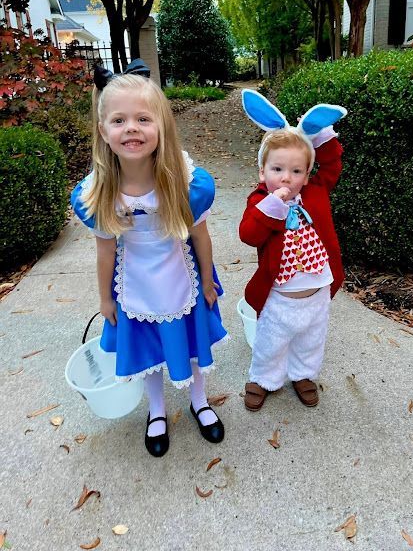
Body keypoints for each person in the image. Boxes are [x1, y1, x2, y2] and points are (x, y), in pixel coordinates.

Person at [71, 59, 227, 457]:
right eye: (119, 120)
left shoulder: (185, 182)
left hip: (181, 276)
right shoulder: (99, 192)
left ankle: (199, 400)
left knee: (190, 343)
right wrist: (106, 299)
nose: (132, 129)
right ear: (103, 131)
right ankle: (156, 410)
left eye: (143, 118)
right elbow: (105, 250)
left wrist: (207, 280)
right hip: (134, 281)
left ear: (162, 127)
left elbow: (201, 235)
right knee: (151, 351)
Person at [239, 90, 347, 411]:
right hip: (279, 297)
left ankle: (302, 374)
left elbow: (331, 163)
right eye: (277, 169)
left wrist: (318, 137)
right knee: (270, 343)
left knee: (311, 341)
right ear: (262, 172)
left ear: (307, 174)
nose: (287, 177)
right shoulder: (260, 201)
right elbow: (249, 234)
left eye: (297, 171)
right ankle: (263, 377)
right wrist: (274, 204)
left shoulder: (315, 192)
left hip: (316, 293)